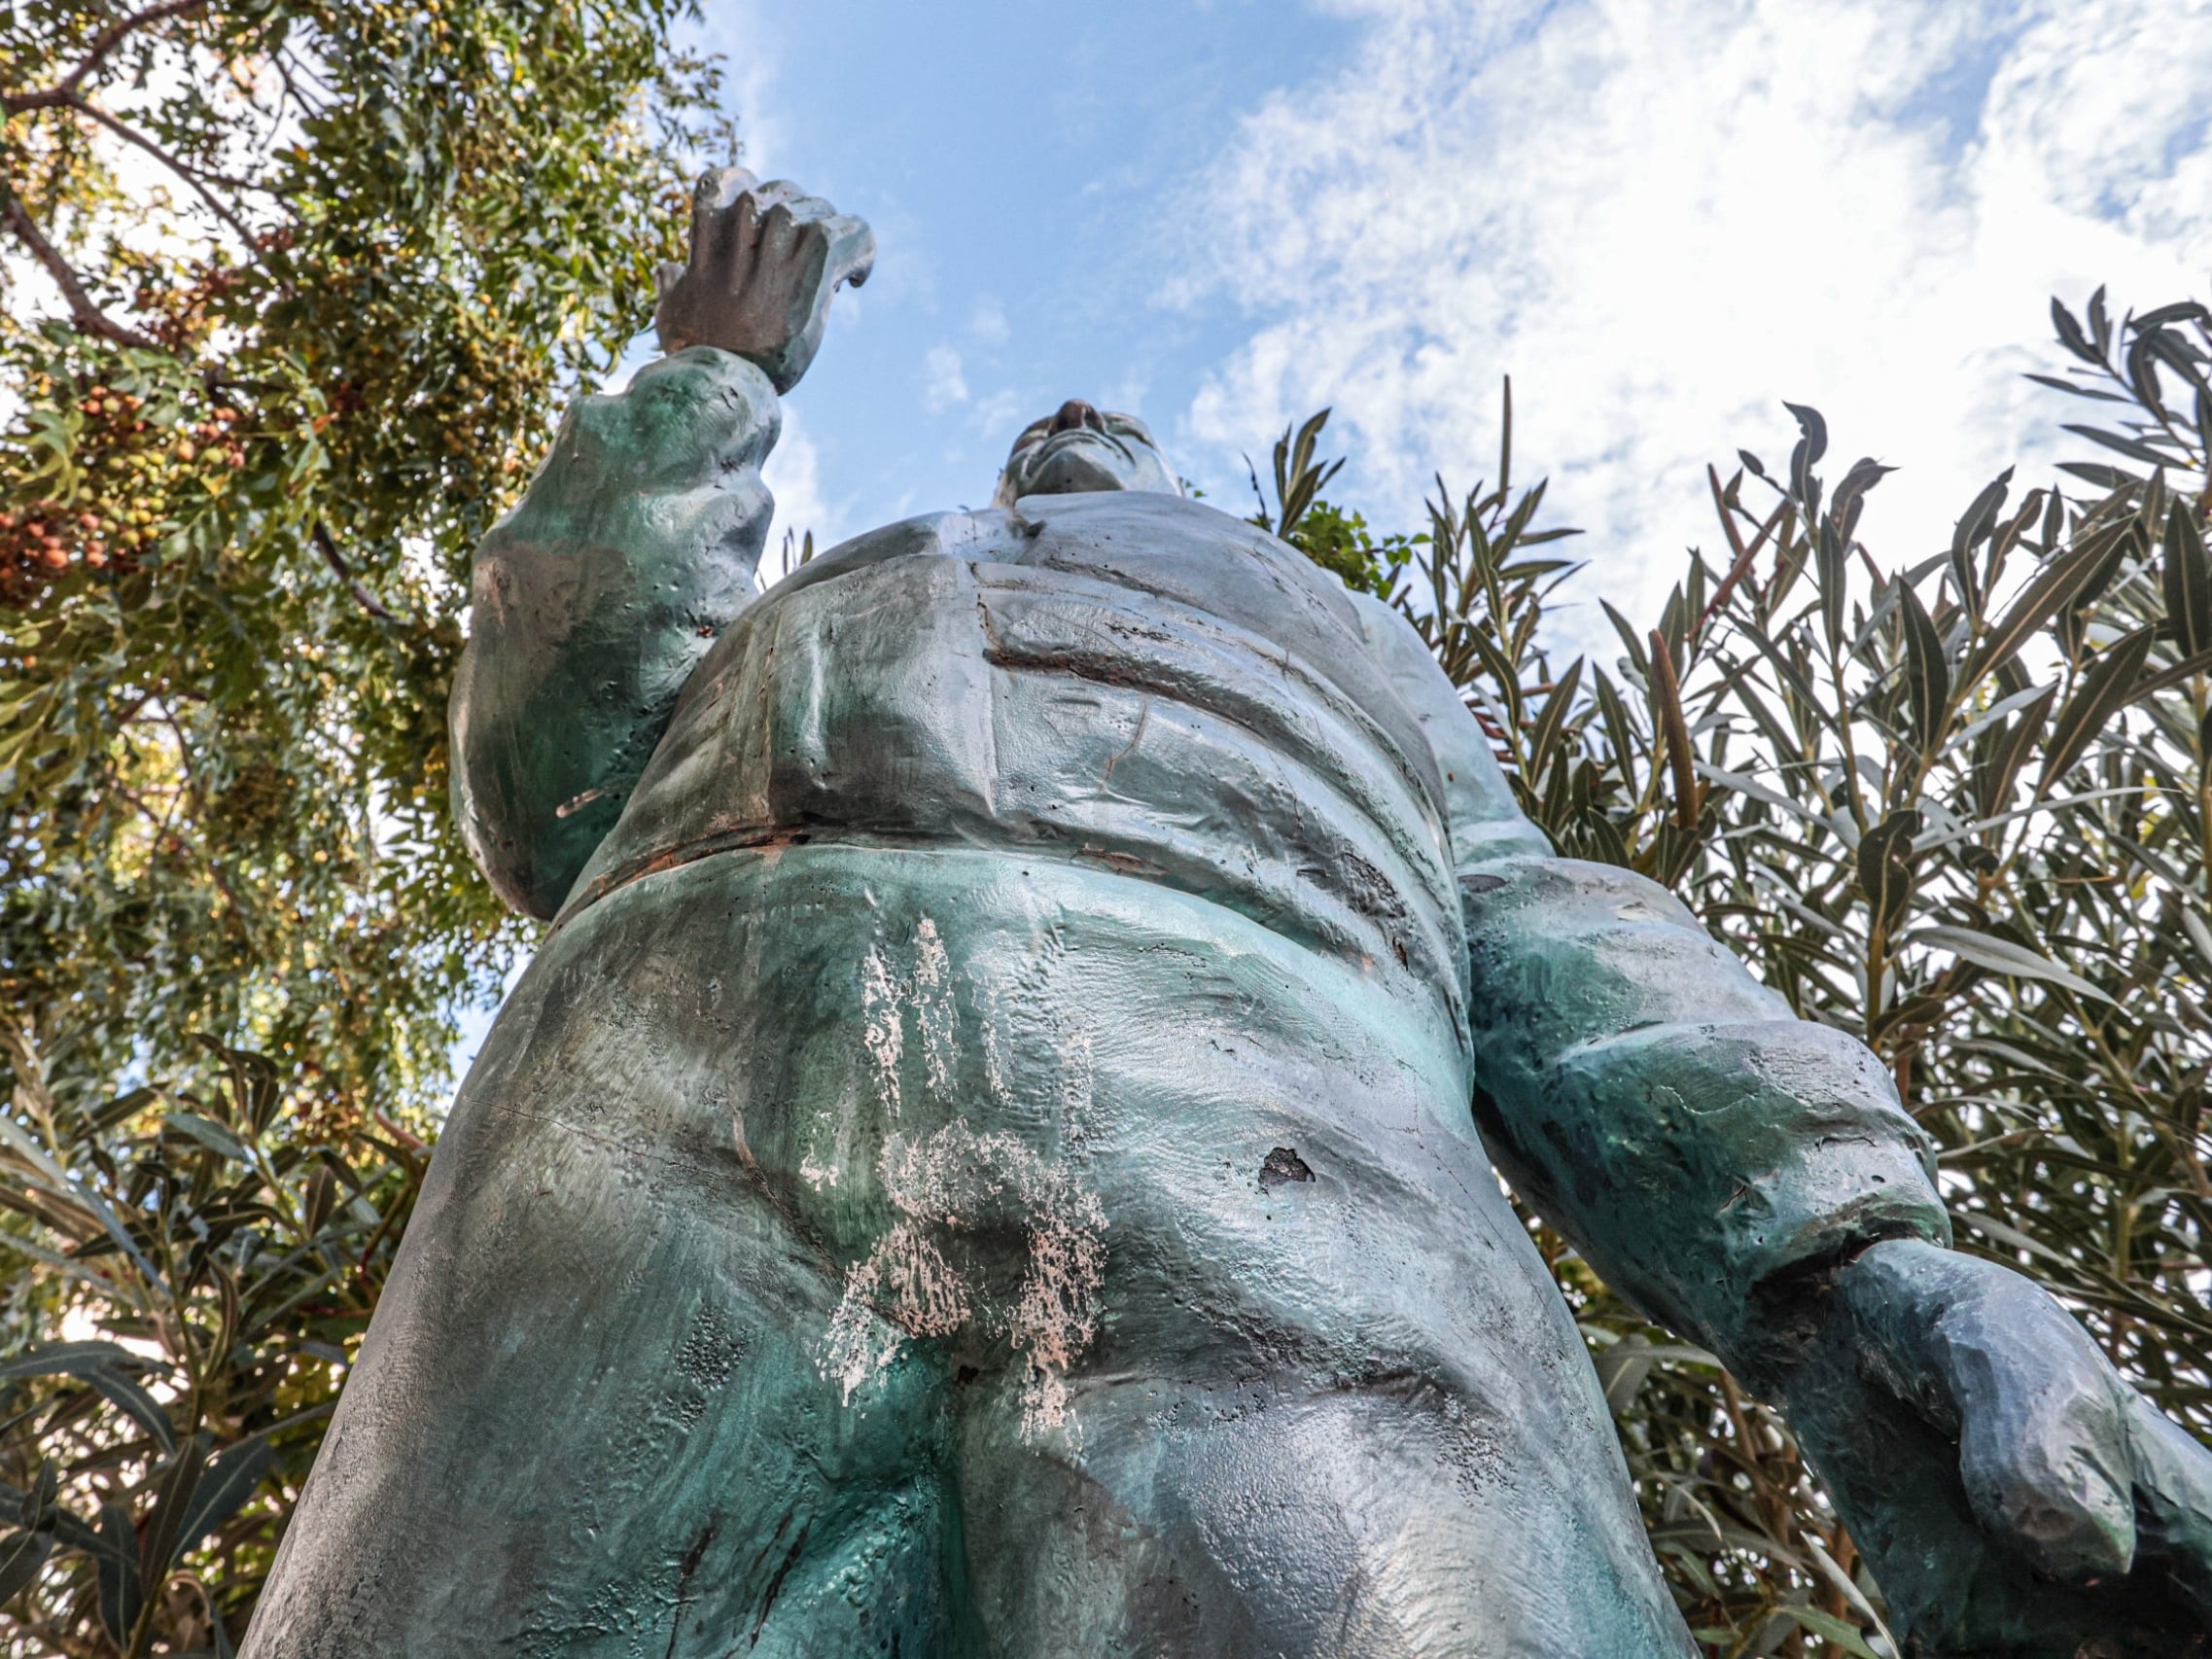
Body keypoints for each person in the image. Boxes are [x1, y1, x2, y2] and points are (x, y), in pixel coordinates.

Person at [242, 170, 2212, 1658]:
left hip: (1288, 1174)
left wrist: (1864, 1264)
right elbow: (553, 780)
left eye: (1116, 439)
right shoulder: (836, 590)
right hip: (659, 1115)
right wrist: (704, 375)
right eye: (1047, 437)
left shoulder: (1344, 640)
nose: (1072, 433)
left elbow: (1545, 934)